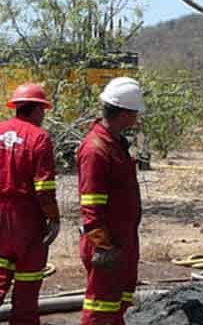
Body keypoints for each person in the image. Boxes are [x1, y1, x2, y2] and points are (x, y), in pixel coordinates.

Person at [0, 82, 61, 325]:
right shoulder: (39, 138)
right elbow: (44, 188)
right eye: (43, 110)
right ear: (37, 109)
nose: (43, 116)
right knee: (28, 277)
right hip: (27, 215)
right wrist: (54, 218)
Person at [78, 76, 145, 325]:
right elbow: (91, 206)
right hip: (107, 241)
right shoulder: (96, 149)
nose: (137, 118)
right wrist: (103, 247)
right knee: (100, 307)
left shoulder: (115, 144)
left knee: (118, 304)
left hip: (122, 239)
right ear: (125, 113)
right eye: (135, 113)